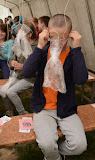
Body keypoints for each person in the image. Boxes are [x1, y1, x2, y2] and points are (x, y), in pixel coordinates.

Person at [22, 14, 88, 160]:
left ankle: (55, 153)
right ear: (47, 33)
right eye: (53, 36)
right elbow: (26, 72)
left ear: (70, 35)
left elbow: (81, 79)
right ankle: (56, 157)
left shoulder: (72, 55)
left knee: (79, 145)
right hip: (43, 107)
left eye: (62, 37)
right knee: (46, 143)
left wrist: (77, 49)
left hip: (66, 107)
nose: (57, 41)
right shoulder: (43, 52)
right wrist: (39, 46)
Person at [0, 22, 38, 116]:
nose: (20, 35)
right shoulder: (21, 44)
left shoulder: (37, 48)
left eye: (22, 33)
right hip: (19, 75)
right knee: (2, 90)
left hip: (30, 78)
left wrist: (23, 67)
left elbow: (38, 67)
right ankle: (9, 110)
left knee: (10, 92)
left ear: (30, 34)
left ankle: (22, 112)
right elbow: (12, 58)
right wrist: (12, 62)